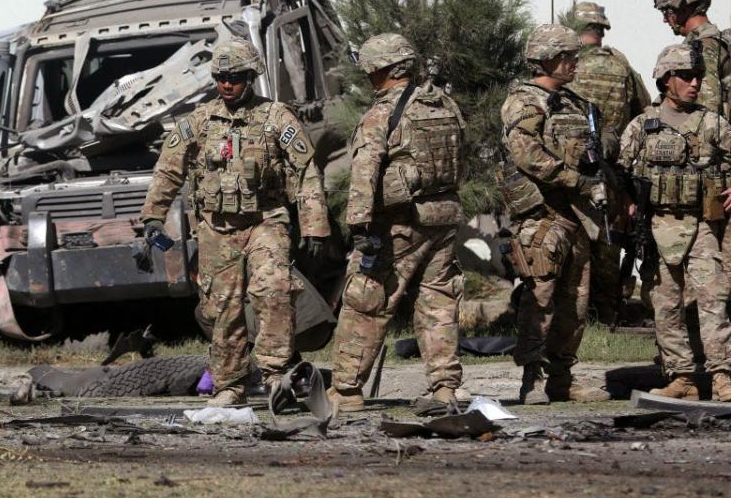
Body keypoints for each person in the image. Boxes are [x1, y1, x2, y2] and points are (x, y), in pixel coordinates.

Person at [140, 37, 330, 407]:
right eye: (221, 77)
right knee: (220, 305)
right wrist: (153, 216)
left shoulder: (276, 117)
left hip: (266, 220)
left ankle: (277, 376)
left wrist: (315, 225)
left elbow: (306, 172)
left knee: (274, 289)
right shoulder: (197, 121)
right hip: (216, 228)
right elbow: (168, 171)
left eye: (236, 77)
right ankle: (230, 384)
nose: (227, 85)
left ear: (251, 77)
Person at [328, 33, 467, 413]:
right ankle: (444, 387)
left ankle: (346, 389)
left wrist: (359, 227)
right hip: (443, 218)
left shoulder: (384, 113)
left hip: (399, 224)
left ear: (383, 69)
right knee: (438, 302)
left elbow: (364, 171)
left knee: (366, 299)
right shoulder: (445, 105)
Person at [498, 23, 611, 404]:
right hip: (542, 215)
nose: (574, 64)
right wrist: (576, 181)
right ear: (545, 58)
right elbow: (526, 153)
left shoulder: (577, 104)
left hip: (578, 217)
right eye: (567, 57)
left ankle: (562, 377)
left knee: (574, 304)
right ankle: (533, 378)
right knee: (540, 299)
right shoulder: (526, 102)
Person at [616, 43, 731, 401]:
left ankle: (722, 376)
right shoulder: (642, 126)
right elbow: (620, 172)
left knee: (714, 301)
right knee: (665, 305)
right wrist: (628, 203)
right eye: (685, 76)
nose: (694, 83)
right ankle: (682, 378)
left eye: (697, 76)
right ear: (666, 79)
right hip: (657, 228)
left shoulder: (712, 122)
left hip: (702, 228)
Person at [565, 1, 651, 323]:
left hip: (572, 169)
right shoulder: (621, 64)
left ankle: (576, 313)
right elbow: (642, 108)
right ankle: (606, 311)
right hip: (613, 171)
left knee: (575, 240)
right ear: (602, 30)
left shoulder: (567, 66)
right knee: (608, 243)